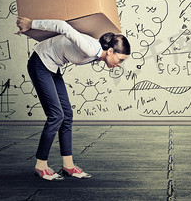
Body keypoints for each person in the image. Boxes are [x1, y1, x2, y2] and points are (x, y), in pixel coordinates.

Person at [16, 17, 130, 181]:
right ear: (111, 51)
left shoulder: (97, 52)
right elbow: (62, 26)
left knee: (67, 115)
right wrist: (30, 25)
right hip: (40, 64)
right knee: (56, 116)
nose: (119, 64)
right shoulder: (91, 49)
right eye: (120, 60)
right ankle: (41, 166)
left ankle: (68, 166)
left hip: (52, 66)